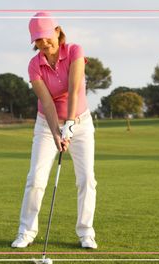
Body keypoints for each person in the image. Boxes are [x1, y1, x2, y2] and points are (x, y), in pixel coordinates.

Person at [11, 12, 98, 249]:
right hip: (46, 125)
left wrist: (69, 124)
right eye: (37, 40)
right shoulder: (34, 65)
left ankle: (86, 233)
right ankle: (26, 231)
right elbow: (47, 103)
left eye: (46, 36)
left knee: (86, 179)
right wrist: (57, 132)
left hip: (80, 122)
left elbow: (74, 88)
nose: (43, 43)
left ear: (57, 31)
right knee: (36, 179)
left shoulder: (74, 51)